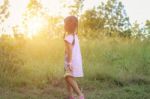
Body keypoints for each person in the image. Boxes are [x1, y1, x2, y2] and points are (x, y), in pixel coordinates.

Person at [64, 16, 84, 99]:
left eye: (65, 24)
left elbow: (69, 51)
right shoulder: (74, 36)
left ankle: (80, 95)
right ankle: (71, 96)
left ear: (67, 26)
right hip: (76, 60)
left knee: (68, 77)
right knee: (69, 77)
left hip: (71, 60)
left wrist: (69, 63)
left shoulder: (68, 38)